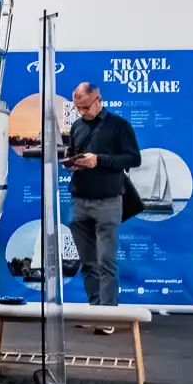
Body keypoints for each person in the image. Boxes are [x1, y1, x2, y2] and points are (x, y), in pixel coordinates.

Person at [65, 82, 142, 331]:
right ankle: (95, 310)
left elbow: (134, 158)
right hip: (79, 201)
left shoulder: (119, 125)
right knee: (87, 263)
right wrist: (71, 163)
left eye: (85, 107)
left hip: (108, 202)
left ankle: (108, 316)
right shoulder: (77, 126)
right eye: (77, 108)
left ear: (98, 100)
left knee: (106, 261)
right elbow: (72, 151)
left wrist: (99, 160)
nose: (81, 112)